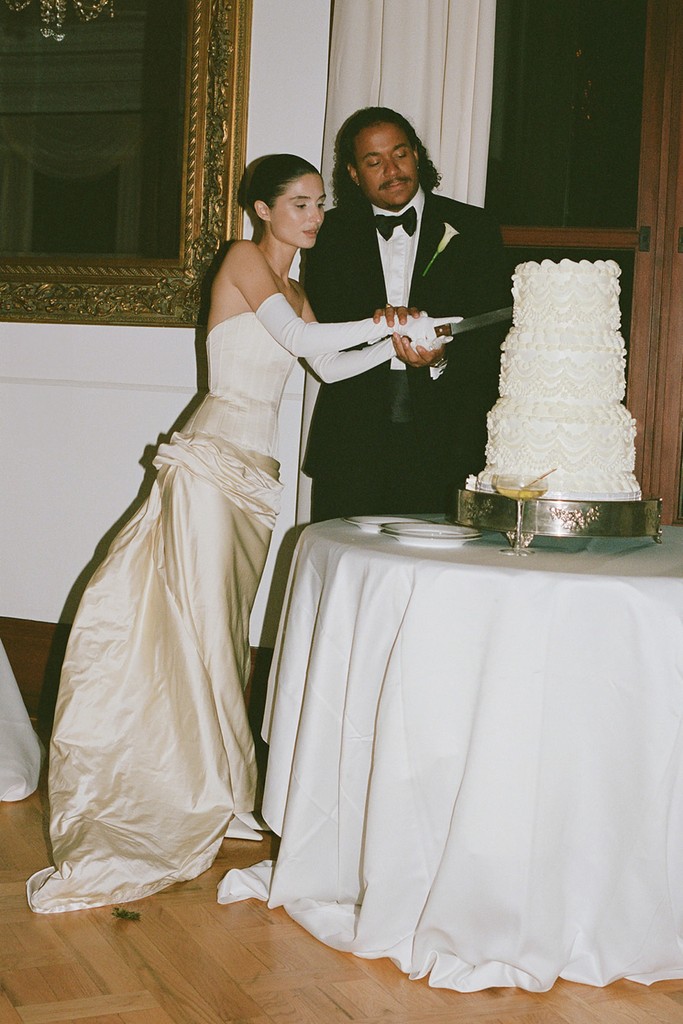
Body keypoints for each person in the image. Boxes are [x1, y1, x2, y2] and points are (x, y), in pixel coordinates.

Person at [26, 154, 450, 913]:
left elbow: (325, 365)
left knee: (224, 628)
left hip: (257, 475)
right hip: (213, 458)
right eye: (298, 203)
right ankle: (208, 787)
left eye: (319, 203)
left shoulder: (298, 287)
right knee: (200, 628)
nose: (314, 216)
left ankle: (225, 783)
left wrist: (399, 349)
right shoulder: (244, 259)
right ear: (261, 208)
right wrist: (392, 319)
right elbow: (293, 336)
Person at [303, 106, 512, 520]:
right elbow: (321, 325)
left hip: (447, 440)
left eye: (399, 154)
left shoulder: (475, 228)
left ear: (417, 154)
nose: (391, 169)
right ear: (353, 172)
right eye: (373, 161)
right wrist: (377, 324)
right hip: (352, 439)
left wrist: (443, 355)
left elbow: (497, 330)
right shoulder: (328, 233)